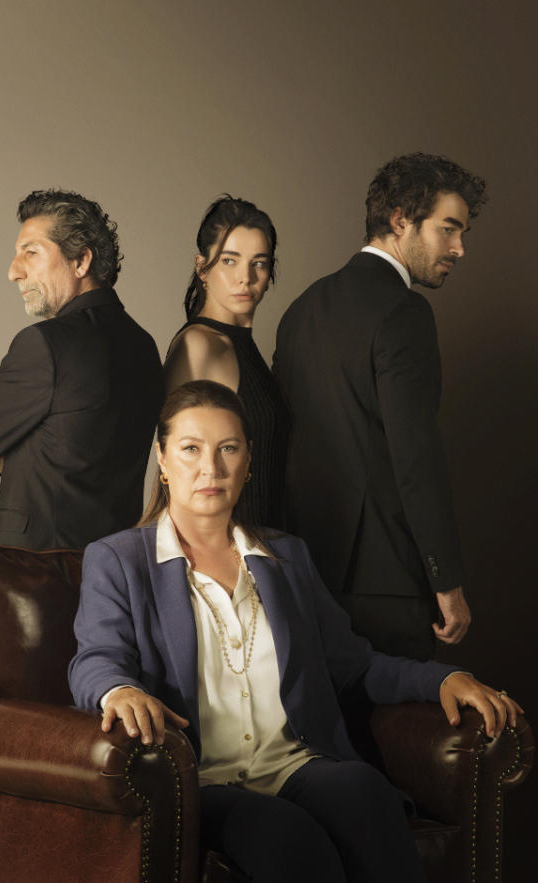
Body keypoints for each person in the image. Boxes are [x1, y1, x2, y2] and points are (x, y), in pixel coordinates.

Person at [69, 380, 522, 883]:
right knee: (284, 833)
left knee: (364, 791)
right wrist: (119, 690)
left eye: (228, 449)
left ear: (248, 460)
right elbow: (95, 659)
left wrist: (443, 680)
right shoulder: (118, 560)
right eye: (191, 449)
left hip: (293, 763)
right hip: (201, 779)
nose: (210, 468)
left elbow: (354, 664)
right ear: (162, 458)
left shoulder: (286, 557)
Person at [273, 153, 488, 660]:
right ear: (399, 220)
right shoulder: (405, 312)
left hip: (305, 572)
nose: (459, 248)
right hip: (387, 582)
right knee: (400, 709)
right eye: (448, 229)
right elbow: (415, 457)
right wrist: (446, 579)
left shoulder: (301, 308)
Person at [0, 189, 163, 550]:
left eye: (31, 252)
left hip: (40, 570)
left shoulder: (44, 345)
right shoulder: (145, 346)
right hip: (120, 564)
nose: (14, 272)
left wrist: (21, 454)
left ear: (81, 261)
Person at [164, 195, 290, 528]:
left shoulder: (242, 346)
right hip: (228, 543)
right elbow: (179, 467)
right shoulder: (199, 345)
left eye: (258, 263)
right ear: (202, 267)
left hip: (266, 540)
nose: (245, 277)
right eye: (229, 261)